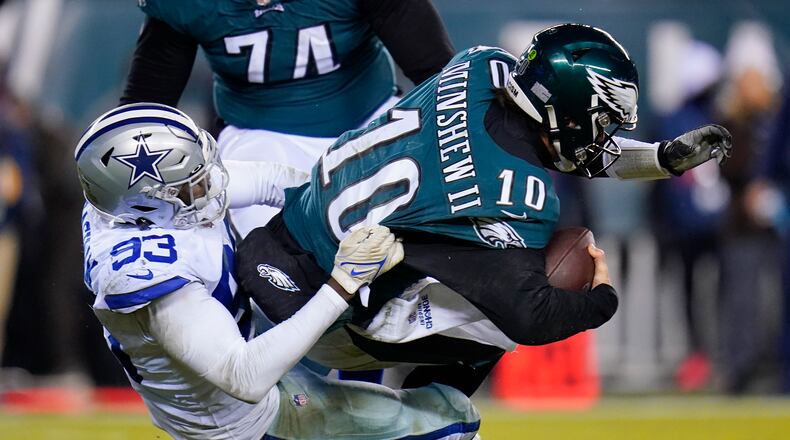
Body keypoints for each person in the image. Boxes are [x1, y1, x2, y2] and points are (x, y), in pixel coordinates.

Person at [235, 23, 733, 394]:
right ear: (569, 110)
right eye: (602, 121)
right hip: (319, 309)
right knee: (530, 299)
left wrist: (660, 159)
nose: (605, 135)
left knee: (449, 250)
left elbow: (552, 144)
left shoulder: (480, 66)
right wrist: (601, 298)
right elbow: (531, 316)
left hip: (280, 239)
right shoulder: (517, 196)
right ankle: (428, 418)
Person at [76, 103, 481, 439]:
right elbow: (245, 377)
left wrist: (350, 214)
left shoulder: (129, 206)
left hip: (246, 347)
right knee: (455, 420)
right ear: (147, 206)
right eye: (191, 186)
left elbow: (274, 181)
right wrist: (344, 280)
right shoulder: (150, 273)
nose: (210, 184)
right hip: (245, 421)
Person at [120, 0, 455, 238]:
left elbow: (439, 75)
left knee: (430, 232)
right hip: (258, 141)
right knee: (272, 254)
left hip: (374, 124)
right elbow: (142, 116)